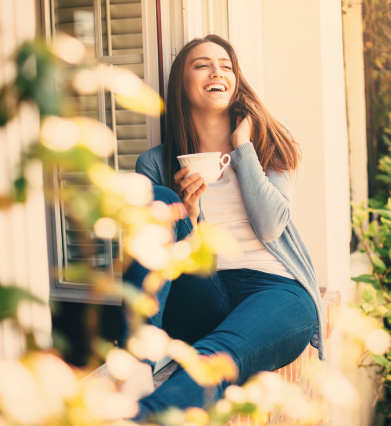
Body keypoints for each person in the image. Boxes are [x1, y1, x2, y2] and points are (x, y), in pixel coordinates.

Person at [126, 34, 326, 419]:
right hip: (207, 288)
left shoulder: (270, 146)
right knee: (163, 201)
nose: (217, 71)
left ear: (236, 81)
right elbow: (167, 258)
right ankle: (137, 360)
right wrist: (190, 212)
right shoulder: (154, 163)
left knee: (216, 355)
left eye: (226, 65)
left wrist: (243, 147)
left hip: (277, 291)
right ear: (180, 85)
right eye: (202, 64)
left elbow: (270, 226)